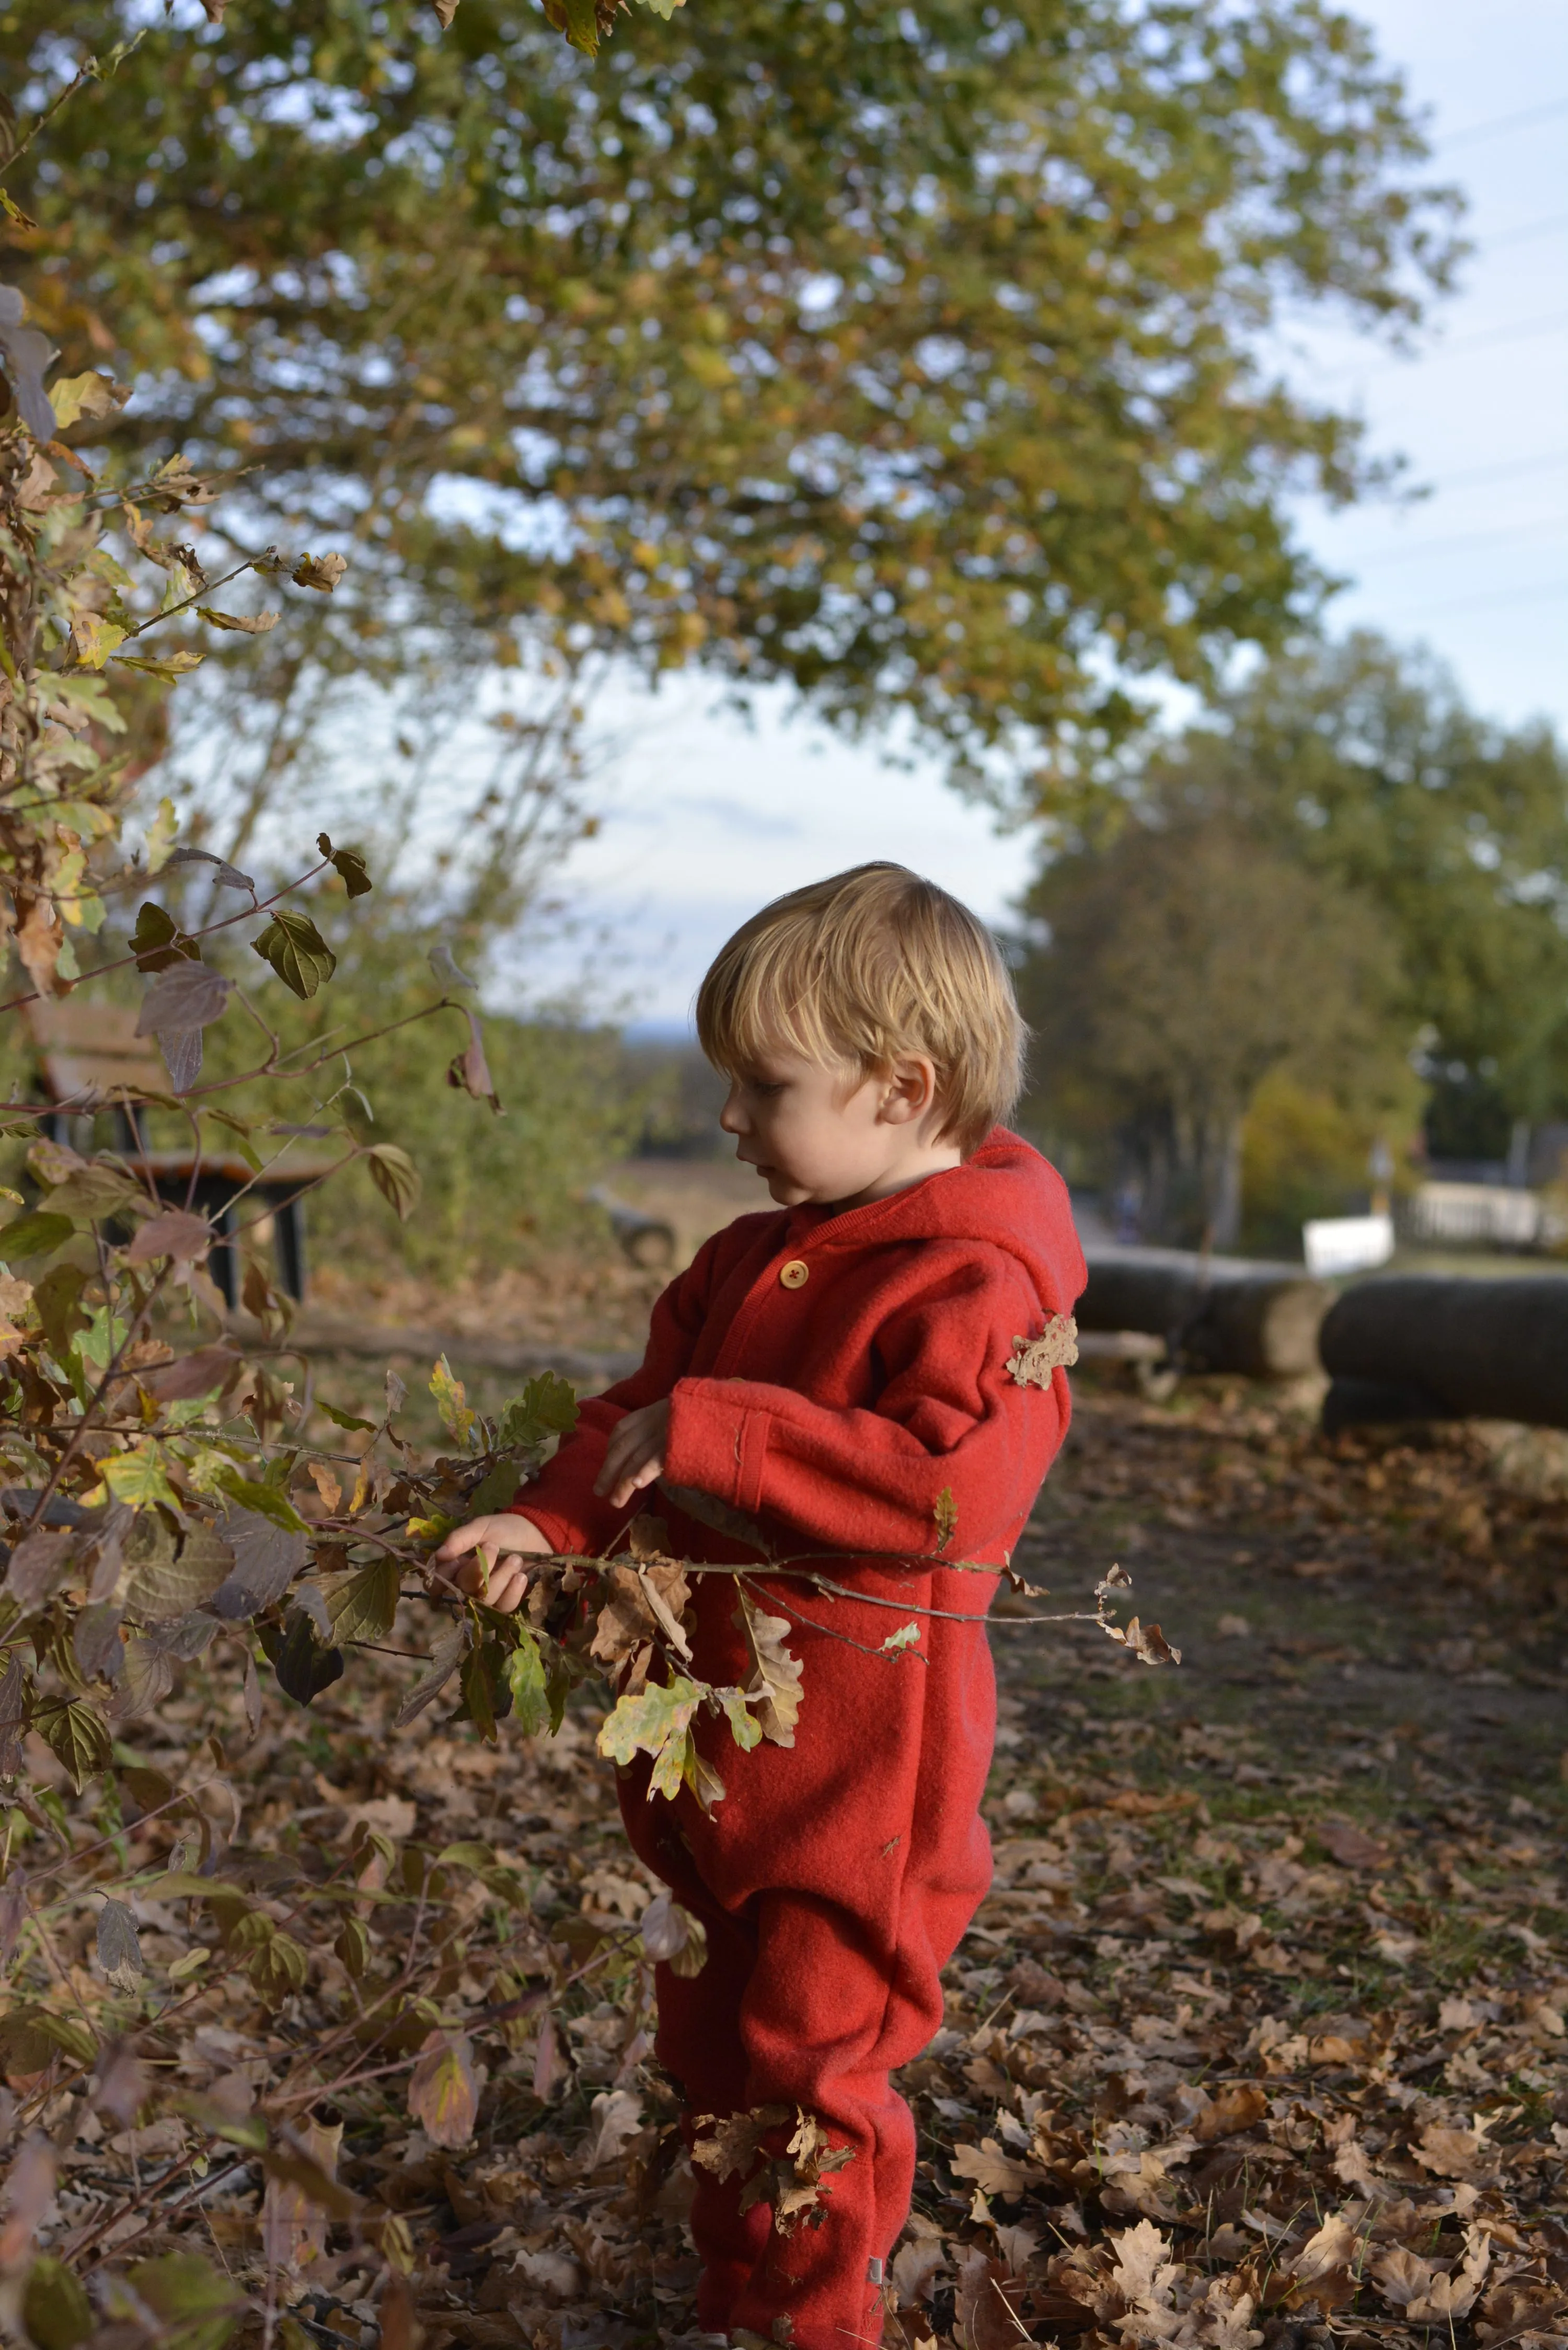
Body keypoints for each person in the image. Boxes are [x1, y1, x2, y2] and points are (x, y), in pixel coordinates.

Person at [435, 863, 1086, 2350]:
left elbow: (946, 1500)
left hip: (863, 1786)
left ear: (900, 1086)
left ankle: (807, 2326)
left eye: (764, 1084)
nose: (729, 1118)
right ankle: (738, 2293)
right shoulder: (743, 1258)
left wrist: (736, 1436)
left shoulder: (976, 1285)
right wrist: (548, 1520)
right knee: (718, 2046)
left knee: (813, 2072)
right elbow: (639, 1414)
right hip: (728, 1756)